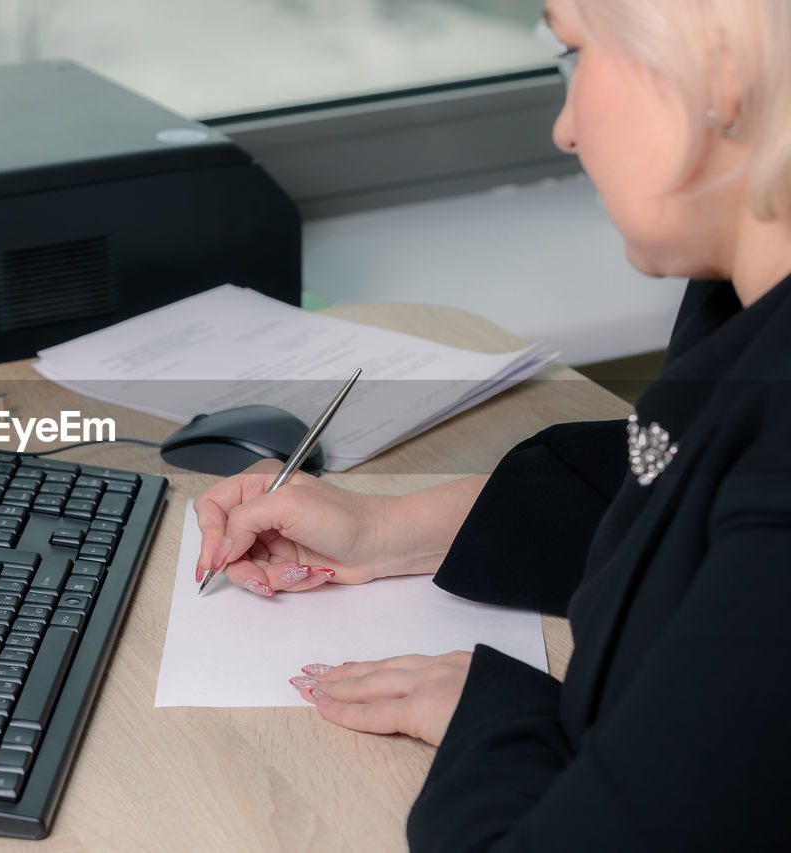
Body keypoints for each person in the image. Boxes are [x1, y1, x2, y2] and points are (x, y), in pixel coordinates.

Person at [193, 1, 791, 848]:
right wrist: (385, 528)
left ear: (722, 72)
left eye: (576, 53)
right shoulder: (744, 300)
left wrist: (500, 717)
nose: (566, 127)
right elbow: (677, 495)